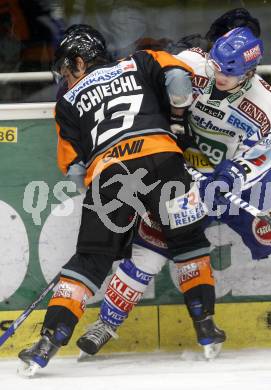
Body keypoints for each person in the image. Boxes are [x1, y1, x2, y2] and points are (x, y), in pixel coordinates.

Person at [76, 27, 271, 358]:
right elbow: (140, 75)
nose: (219, 75)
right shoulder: (193, 65)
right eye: (218, 66)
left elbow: (264, 153)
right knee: (149, 249)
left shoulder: (267, 103)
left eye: (230, 72)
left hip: (245, 183)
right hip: (183, 176)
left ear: (250, 71)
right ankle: (107, 323)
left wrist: (232, 177)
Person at [17, 24, 225, 376]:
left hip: (109, 176)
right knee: (187, 241)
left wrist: (116, 214)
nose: (65, 77)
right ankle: (205, 326)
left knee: (90, 260)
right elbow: (178, 82)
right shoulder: (140, 62)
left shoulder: (66, 102)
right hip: (164, 161)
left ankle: (48, 340)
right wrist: (176, 122)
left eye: (67, 69)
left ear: (80, 62)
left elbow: (73, 169)